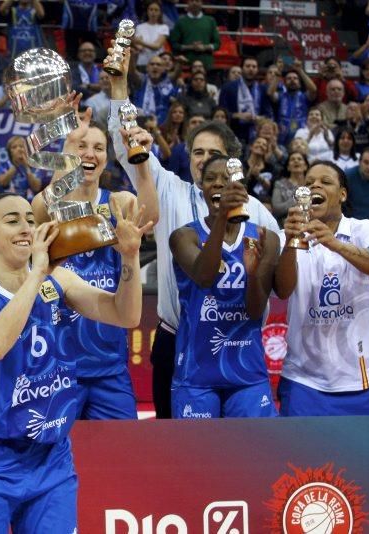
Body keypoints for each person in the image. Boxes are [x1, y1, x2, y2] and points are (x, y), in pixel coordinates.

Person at [0, 192, 150, 532]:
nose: (26, 227)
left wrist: (129, 257)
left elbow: (125, 315)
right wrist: (37, 272)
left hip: (51, 459)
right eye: (12, 221)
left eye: (30, 219)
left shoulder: (60, 281)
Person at [106, 47, 279, 418]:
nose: (202, 160)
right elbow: (127, 145)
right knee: (180, 457)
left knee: (245, 451)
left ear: (230, 159)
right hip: (177, 340)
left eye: (211, 153)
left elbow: (269, 279)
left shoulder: (259, 213)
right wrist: (120, 85)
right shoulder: (169, 190)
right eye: (196, 153)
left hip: (238, 343)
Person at [274, 160, 369, 517]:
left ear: (342, 193)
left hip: (364, 382)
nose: (315, 185)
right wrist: (292, 242)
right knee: (304, 483)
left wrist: (334, 243)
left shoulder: (364, 228)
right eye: (308, 181)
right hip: (305, 382)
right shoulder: (286, 236)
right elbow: (282, 289)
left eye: (325, 180)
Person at [31, 104, 152, 421]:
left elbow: (151, 218)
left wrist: (142, 166)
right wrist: (68, 150)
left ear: (107, 158)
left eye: (98, 147)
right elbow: (48, 208)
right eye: (82, 146)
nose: (90, 153)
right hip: (58, 363)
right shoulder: (46, 203)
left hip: (108, 362)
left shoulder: (120, 202)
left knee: (120, 458)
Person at [170, 155, 279, 418]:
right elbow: (205, 277)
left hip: (247, 372)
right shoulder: (184, 236)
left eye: (227, 179)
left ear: (241, 187)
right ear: (201, 188)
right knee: (197, 459)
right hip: (196, 374)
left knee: (254, 457)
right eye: (210, 179)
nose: (218, 184)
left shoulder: (266, 238)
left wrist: (253, 274)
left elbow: (255, 311)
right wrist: (221, 219)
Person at [218, 56, 273, 143]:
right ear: (242, 68)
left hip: (256, 134)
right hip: (233, 133)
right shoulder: (228, 87)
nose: (251, 69)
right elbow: (220, 112)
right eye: (248, 66)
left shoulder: (262, 89)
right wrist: (237, 115)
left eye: (254, 67)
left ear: (257, 69)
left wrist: (258, 118)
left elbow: (268, 114)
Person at [169, 0, 220, 69]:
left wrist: (204, 47)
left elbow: (217, 44)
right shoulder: (180, 22)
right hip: (186, 64)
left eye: (197, 0)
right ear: (188, 3)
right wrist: (190, 47)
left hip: (206, 65)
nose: (194, 3)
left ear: (202, 3)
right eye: (192, 0)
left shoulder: (211, 21)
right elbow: (174, 44)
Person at [271, 151, 309, 225]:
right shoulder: (279, 184)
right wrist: (297, 199)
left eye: (299, 159)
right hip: (286, 224)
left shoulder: (311, 184)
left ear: (305, 166)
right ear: (288, 167)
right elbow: (276, 208)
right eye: (292, 159)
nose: (296, 161)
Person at [134, 0, 169, 68]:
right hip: (142, 62)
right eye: (151, 9)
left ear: (160, 12)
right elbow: (139, 47)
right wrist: (138, 44)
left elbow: (157, 46)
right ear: (147, 11)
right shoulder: (139, 27)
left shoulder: (164, 27)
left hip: (158, 63)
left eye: (156, 10)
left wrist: (141, 42)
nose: (153, 12)